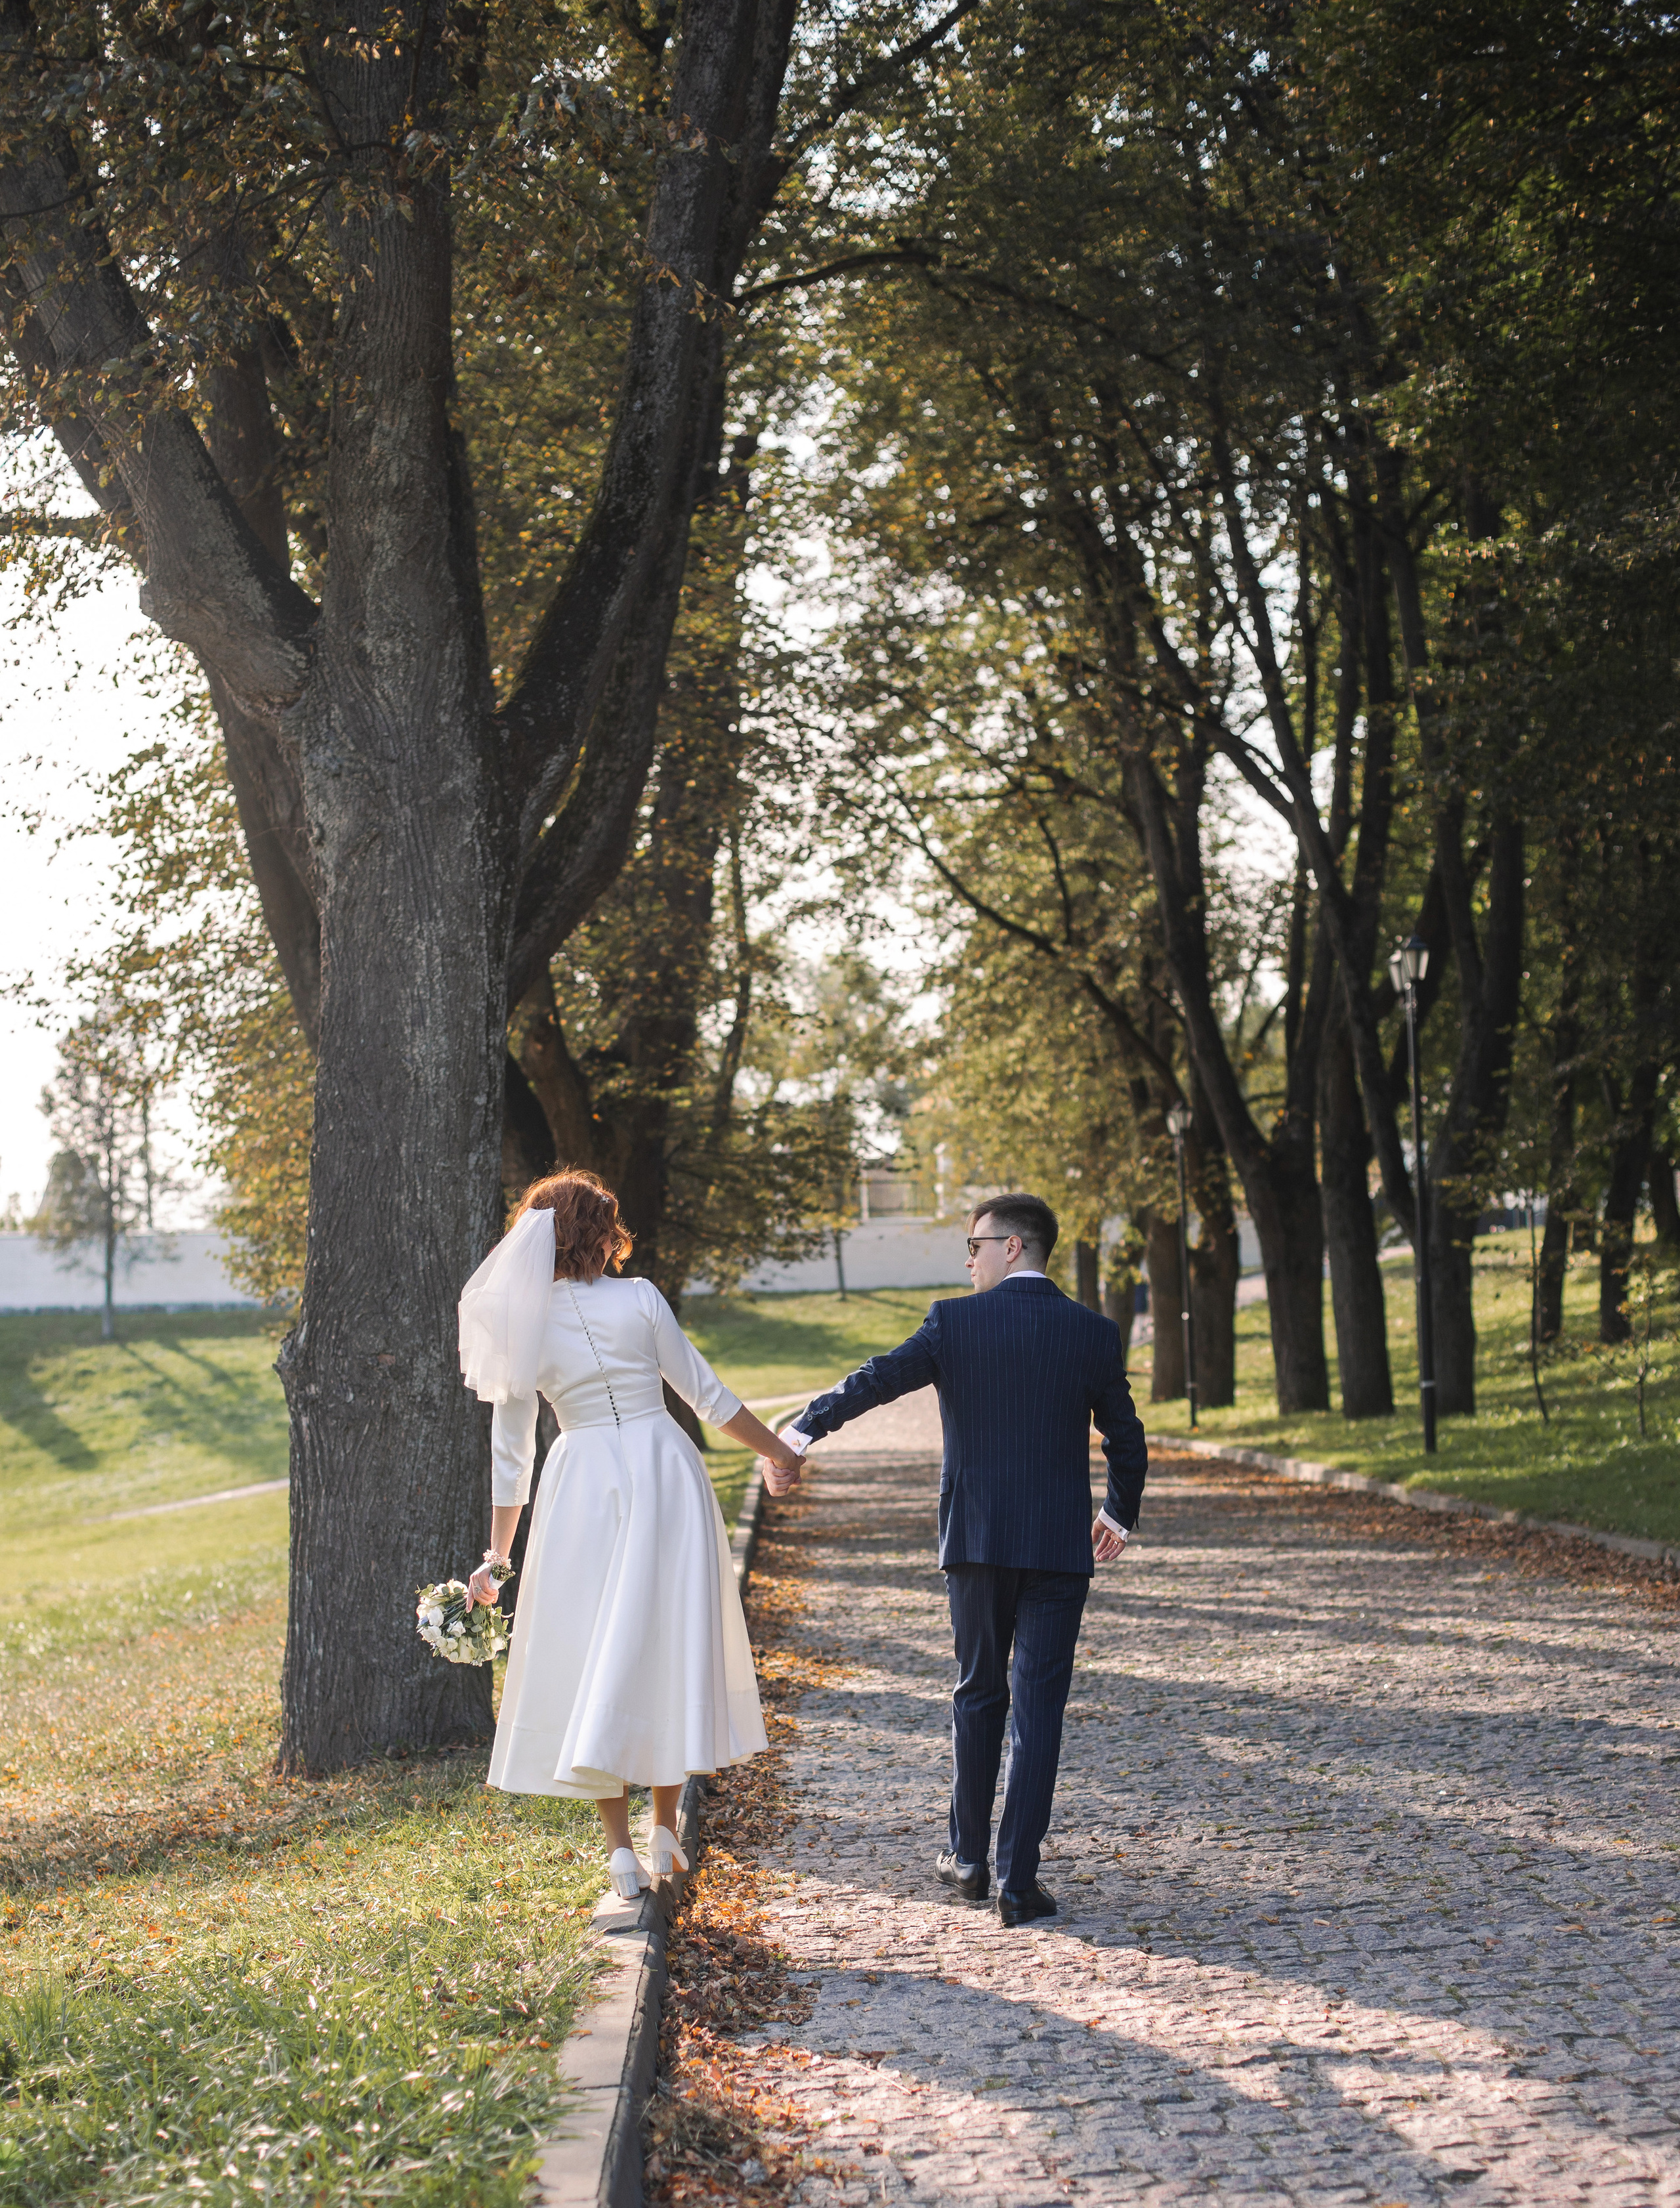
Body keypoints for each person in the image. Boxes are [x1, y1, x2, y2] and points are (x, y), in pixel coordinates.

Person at [763, 1191, 1145, 1927]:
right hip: (1060, 1548)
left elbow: (876, 1379)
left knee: (978, 1692)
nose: (967, 1260)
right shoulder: (1093, 1332)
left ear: (1013, 1247)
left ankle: (968, 1857)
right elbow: (1124, 1437)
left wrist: (803, 1432)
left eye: (975, 1245)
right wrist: (1117, 1512)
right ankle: (1016, 1879)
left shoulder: (953, 1321)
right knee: (1039, 1711)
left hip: (974, 1540)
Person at [459, 1169, 803, 1900]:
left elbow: (511, 1453)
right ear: (600, 1232)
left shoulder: (518, 1324)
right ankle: (665, 1826)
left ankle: (619, 1850)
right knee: (665, 1641)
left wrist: (496, 1555)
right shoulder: (641, 1298)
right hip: (665, 1469)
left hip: (581, 1479)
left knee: (597, 1653)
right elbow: (707, 1397)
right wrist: (777, 1451)